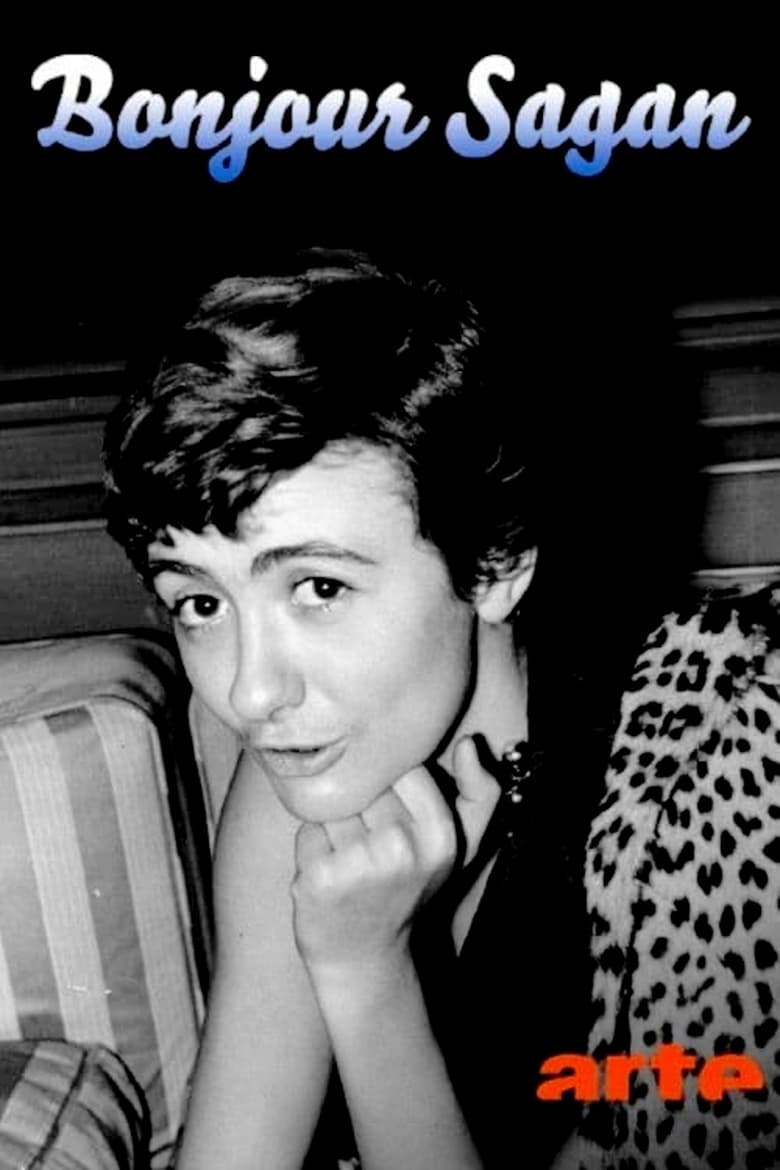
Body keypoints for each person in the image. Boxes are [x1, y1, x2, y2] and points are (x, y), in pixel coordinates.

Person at [103, 249, 598, 1169]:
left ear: (496, 564)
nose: (250, 693)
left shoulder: (678, 801)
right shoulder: (303, 775)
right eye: (200, 603)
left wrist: (367, 972)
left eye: (319, 587)